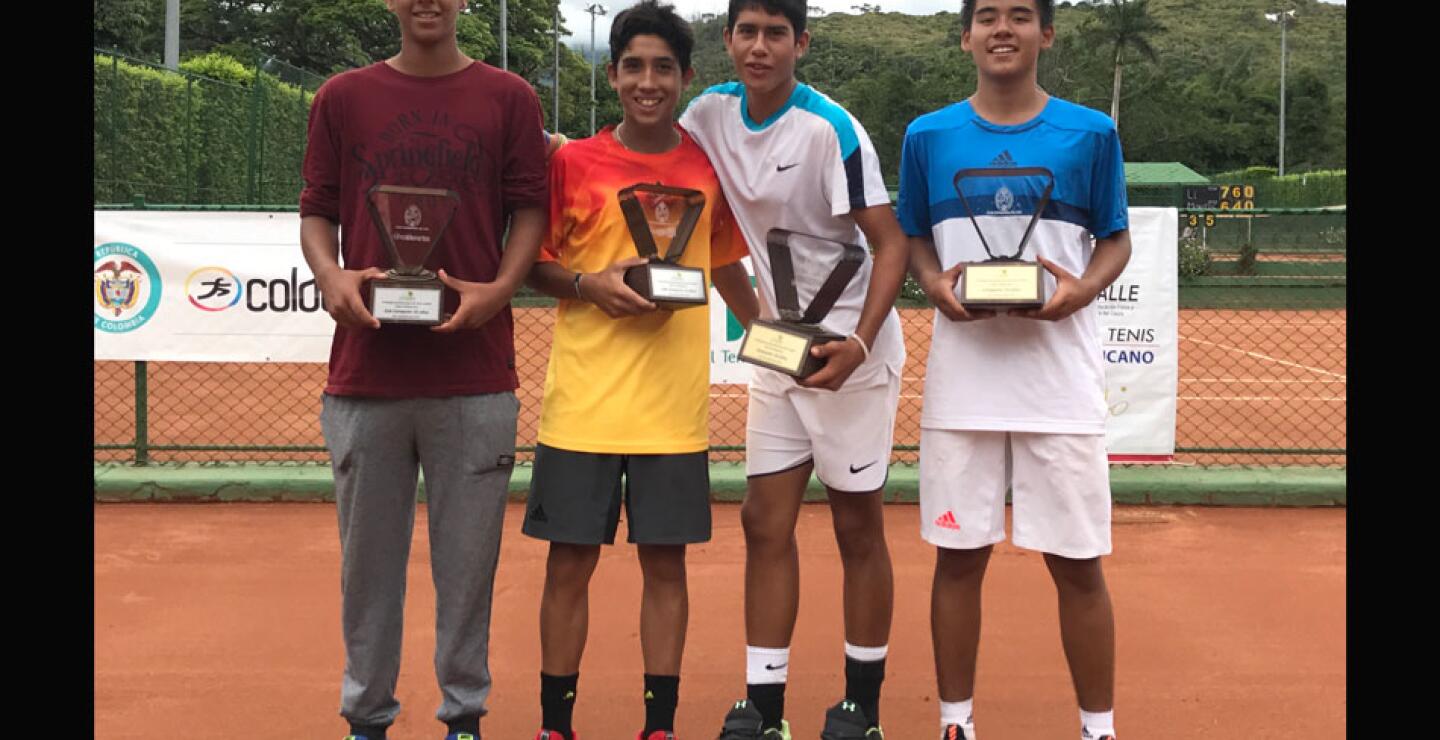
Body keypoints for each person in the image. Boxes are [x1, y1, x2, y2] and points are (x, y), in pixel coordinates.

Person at [298, 0, 549, 737]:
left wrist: (500, 290)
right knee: (366, 571)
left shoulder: (510, 98)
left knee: (467, 573)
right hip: (367, 374)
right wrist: (329, 275)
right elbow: (316, 208)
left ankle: (463, 719)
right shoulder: (342, 97)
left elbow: (528, 209)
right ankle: (366, 719)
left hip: (473, 375)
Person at [519, 3, 759, 739]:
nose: (647, 82)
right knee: (568, 567)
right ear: (614, 74)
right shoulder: (571, 162)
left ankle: (659, 727)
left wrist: (782, 343)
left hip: (671, 411)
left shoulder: (706, 166)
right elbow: (533, 264)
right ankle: (555, 726)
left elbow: (724, 268)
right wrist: (591, 285)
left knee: (666, 569)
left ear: (686, 77)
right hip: (583, 404)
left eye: (663, 68)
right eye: (633, 66)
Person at [894, 1, 1132, 738]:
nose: (1004, 28)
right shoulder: (926, 136)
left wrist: (1079, 293)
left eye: (1021, 15)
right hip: (963, 388)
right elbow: (912, 240)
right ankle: (956, 724)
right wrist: (935, 286)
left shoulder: (1092, 132)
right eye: (987, 15)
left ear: (1046, 34)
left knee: (1079, 564)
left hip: (1058, 385)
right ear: (965, 35)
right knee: (958, 561)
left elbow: (1114, 242)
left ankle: (1098, 729)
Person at [677, 0, 911, 736]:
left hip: (850, 360)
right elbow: (699, 221)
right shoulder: (708, 114)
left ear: (800, 43)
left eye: (776, 33)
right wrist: (763, 332)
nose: (759, 46)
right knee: (762, 523)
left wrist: (860, 346)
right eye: (746, 31)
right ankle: (765, 706)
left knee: (857, 529)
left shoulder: (831, 130)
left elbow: (891, 244)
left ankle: (859, 708)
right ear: (727, 40)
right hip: (784, 357)